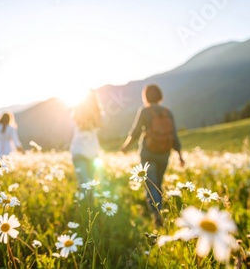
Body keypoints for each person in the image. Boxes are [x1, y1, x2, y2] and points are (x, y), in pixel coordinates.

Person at [120, 84, 185, 226]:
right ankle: (161, 212)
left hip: (148, 154)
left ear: (146, 97)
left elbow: (135, 132)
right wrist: (180, 155)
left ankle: (157, 216)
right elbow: (174, 135)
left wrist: (125, 147)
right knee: (158, 185)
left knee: (150, 185)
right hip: (164, 155)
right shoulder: (168, 112)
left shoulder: (145, 111)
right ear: (160, 96)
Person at [69, 89, 104, 185]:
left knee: (84, 184)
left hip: (78, 151)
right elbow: (101, 127)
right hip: (92, 151)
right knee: (90, 183)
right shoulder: (98, 114)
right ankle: (88, 199)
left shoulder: (76, 112)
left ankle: (84, 199)